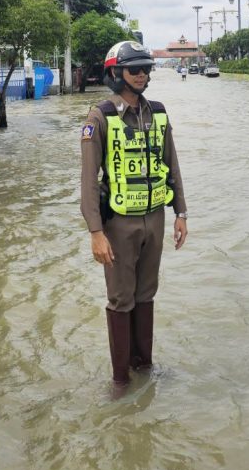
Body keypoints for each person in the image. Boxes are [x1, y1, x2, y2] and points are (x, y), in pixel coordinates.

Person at [80, 40, 188, 391]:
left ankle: (145, 367)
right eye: (134, 70)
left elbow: (172, 164)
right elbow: (88, 181)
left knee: (146, 294)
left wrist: (181, 212)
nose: (142, 75)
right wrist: (96, 232)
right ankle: (120, 381)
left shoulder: (158, 113)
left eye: (145, 69)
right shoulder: (100, 117)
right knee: (120, 298)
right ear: (116, 73)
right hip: (118, 224)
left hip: (154, 218)